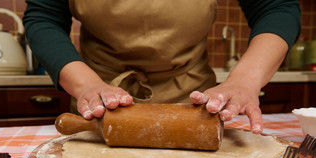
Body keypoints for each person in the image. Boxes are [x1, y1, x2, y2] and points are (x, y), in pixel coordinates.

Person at [23, 0, 301, 134]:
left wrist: (246, 80)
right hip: (101, 105)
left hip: (197, 104)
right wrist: (84, 84)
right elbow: (44, 17)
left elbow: (275, 7)